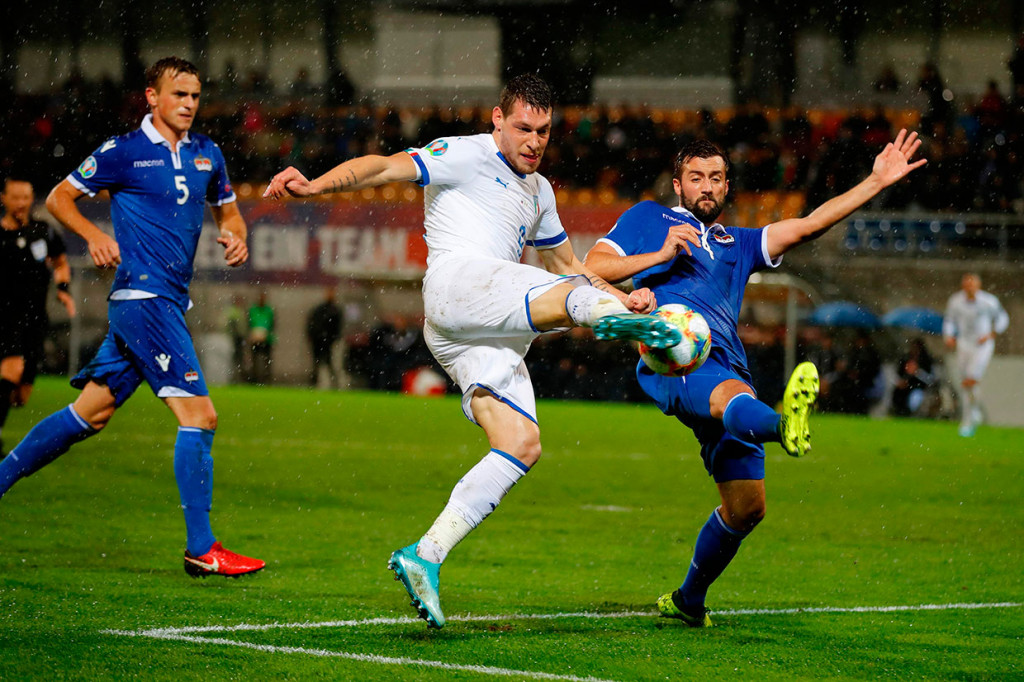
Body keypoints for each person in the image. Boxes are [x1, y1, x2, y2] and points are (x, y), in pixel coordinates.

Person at [265, 74, 682, 628]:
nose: (534, 141)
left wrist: (625, 298)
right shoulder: (462, 154)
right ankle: (647, 336)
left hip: (479, 331)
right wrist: (317, 185)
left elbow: (571, 270)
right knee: (568, 300)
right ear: (497, 121)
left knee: (521, 443)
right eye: (524, 128)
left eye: (544, 131)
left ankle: (425, 555)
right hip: (459, 285)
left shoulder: (541, 192)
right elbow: (385, 165)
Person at [585, 130, 926, 627]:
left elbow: (808, 225)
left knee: (747, 508)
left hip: (727, 364)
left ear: (727, 188)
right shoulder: (647, 219)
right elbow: (594, 268)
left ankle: (687, 600)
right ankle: (784, 424)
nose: (707, 186)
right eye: (697, 177)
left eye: (717, 178)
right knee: (730, 398)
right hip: (672, 354)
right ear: (677, 185)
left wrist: (875, 182)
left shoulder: (737, 243)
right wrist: (655, 261)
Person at [0, 57, 264, 577]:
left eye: (195, 95)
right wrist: (96, 235)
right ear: (152, 96)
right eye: (178, 95)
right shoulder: (124, 152)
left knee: (89, 414)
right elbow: (60, 197)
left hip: (160, 303)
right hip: (144, 302)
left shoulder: (208, 153)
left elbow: (228, 208)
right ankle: (202, 547)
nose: (188, 104)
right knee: (200, 416)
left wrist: (237, 232)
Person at [0, 177, 77, 455]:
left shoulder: (43, 231)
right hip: (5, 317)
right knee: (12, 368)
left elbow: (60, 261)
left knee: (20, 395)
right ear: (4, 199)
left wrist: (63, 289)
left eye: (26, 197)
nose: (21, 203)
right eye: (15, 197)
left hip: (35, 317)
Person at [943, 273, 1008, 437]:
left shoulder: (989, 301)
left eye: (972, 284)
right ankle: (973, 413)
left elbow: (1002, 318)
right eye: (966, 284)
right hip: (964, 344)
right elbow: (949, 319)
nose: (969, 288)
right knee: (966, 384)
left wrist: (992, 333)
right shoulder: (955, 301)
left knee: (971, 378)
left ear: (978, 286)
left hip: (982, 345)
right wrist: (949, 335)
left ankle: (968, 419)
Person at [306, 287, 343, 388]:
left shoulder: (334, 310)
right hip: (319, 340)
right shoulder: (321, 309)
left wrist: (334, 339)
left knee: (328, 362)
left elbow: (337, 327)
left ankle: (333, 383)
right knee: (318, 362)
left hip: (327, 341)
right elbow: (312, 323)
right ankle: (315, 382)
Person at [248, 291, 275, 384]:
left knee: (267, 360)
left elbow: (272, 324)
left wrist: (266, 333)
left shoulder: (269, 310)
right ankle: (255, 379)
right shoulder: (253, 310)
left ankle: (266, 379)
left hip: (266, 339)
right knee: (255, 360)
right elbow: (250, 323)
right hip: (255, 339)